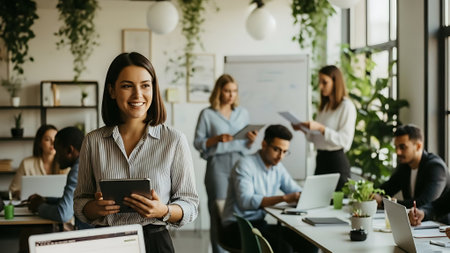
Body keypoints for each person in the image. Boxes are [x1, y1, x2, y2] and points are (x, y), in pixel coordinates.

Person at [73, 52, 198, 253]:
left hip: (154, 243)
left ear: (153, 89)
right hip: (105, 243)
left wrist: (163, 211)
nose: (138, 95)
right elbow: (80, 201)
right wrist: (94, 208)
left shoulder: (174, 140)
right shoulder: (93, 141)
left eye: (145, 85)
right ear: (112, 91)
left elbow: (190, 205)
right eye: (127, 86)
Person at [221, 125, 317, 253]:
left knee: (308, 242)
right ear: (264, 144)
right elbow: (245, 202)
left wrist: (307, 193)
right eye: (277, 149)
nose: (280, 156)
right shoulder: (244, 165)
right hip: (236, 227)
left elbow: (294, 190)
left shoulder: (277, 167)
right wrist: (283, 198)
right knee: (284, 249)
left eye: (284, 152)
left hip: (259, 224)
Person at [194, 74, 258, 253]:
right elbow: (198, 142)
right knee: (219, 213)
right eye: (227, 91)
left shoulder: (242, 113)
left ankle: (240, 247)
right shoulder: (207, 114)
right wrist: (216, 139)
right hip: (217, 166)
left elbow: (246, 144)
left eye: (234, 91)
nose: (231, 95)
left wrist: (251, 140)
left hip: (240, 163)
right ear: (219, 92)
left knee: (240, 209)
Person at [292, 65, 356, 190]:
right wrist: (304, 130)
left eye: (324, 82)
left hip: (336, 162)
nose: (320, 87)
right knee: (318, 202)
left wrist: (321, 128)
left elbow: (345, 141)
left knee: (336, 204)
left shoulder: (346, 106)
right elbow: (316, 140)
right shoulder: (324, 108)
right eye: (320, 82)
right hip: (321, 160)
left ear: (335, 82)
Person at [27, 126, 91, 229]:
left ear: (69, 150)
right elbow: (73, 202)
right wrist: (46, 200)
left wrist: (39, 207)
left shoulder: (77, 171)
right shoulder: (87, 162)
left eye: (58, 151)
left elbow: (63, 214)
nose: (56, 156)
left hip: (89, 236)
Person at [374, 124, 450, 209]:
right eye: (396, 147)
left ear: (418, 146)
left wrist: (385, 203)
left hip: (437, 222)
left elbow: (425, 203)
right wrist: (373, 195)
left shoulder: (436, 167)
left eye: (402, 147)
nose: (397, 152)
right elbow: (385, 190)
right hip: (413, 221)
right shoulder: (405, 167)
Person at [9, 124, 68, 199]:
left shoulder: (66, 163)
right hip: (31, 205)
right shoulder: (26, 163)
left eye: (55, 139)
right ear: (40, 142)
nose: (53, 143)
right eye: (47, 139)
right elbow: (13, 190)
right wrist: (22, 193)